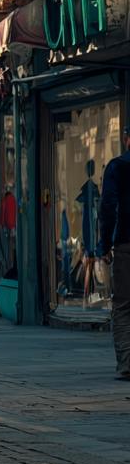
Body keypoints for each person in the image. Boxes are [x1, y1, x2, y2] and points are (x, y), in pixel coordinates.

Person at [99, 127, 130, 380]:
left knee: (122, 305)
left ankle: (127, 363)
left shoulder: (117, 167)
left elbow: (108, 206)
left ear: (126, 139)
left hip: (126, 245)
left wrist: (104, 245)